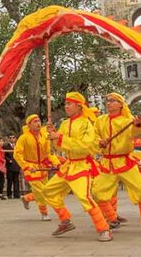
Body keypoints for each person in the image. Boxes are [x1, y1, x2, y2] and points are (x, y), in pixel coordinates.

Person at [42, 93, 113, 242]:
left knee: (84, 196)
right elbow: (59, 146)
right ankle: (65, 221)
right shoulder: (64, 123)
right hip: (68, 165)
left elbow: (85, 146)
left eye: (69, 104)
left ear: (79, 105)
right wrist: (53, 135)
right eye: (65, 104)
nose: (66, 106)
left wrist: (60, 137)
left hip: (82, 164)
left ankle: (104, 229)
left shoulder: (87, 123)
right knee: (48, 191)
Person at [93, 93, 141, 234]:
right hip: (107, 163)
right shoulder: (100, 120)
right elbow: (94, 136)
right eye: (107, 101)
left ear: (120, 104)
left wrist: (137, 124)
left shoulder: (127, 120)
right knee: (97, 192)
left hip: (125, 161)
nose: (109, 103)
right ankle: (112, 219)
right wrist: (99, 141)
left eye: (112, 101)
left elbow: (134, 131)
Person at [15, 114, 56, 220]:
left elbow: (48, 152)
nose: (38, 123)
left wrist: (53, 162)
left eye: (39, 121)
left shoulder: (44, 136)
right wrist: (26, 166)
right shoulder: (23, 138)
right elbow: (17, 155)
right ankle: (44, 213)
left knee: (46, 190)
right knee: (41, 191)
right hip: (31, 168)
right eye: (35, 121)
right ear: (29, 125)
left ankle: (27, 198)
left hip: (42, 167)